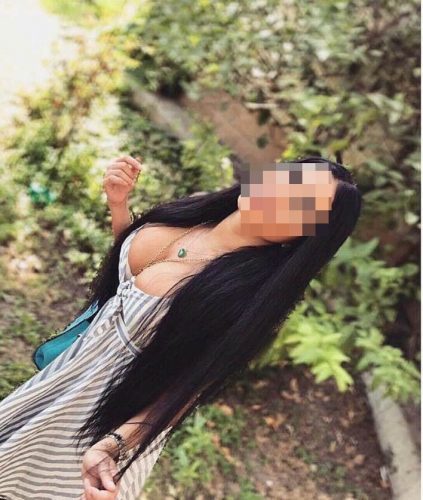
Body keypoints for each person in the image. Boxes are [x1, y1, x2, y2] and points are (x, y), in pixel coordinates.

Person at [0, 154, 362, 499]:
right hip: (63, 378)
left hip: (93, 418)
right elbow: (134, 280)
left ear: (305, 236)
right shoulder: (199, 214)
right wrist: (119, 206)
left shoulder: (247, 301)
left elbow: (185, 389)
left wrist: (115, 444)